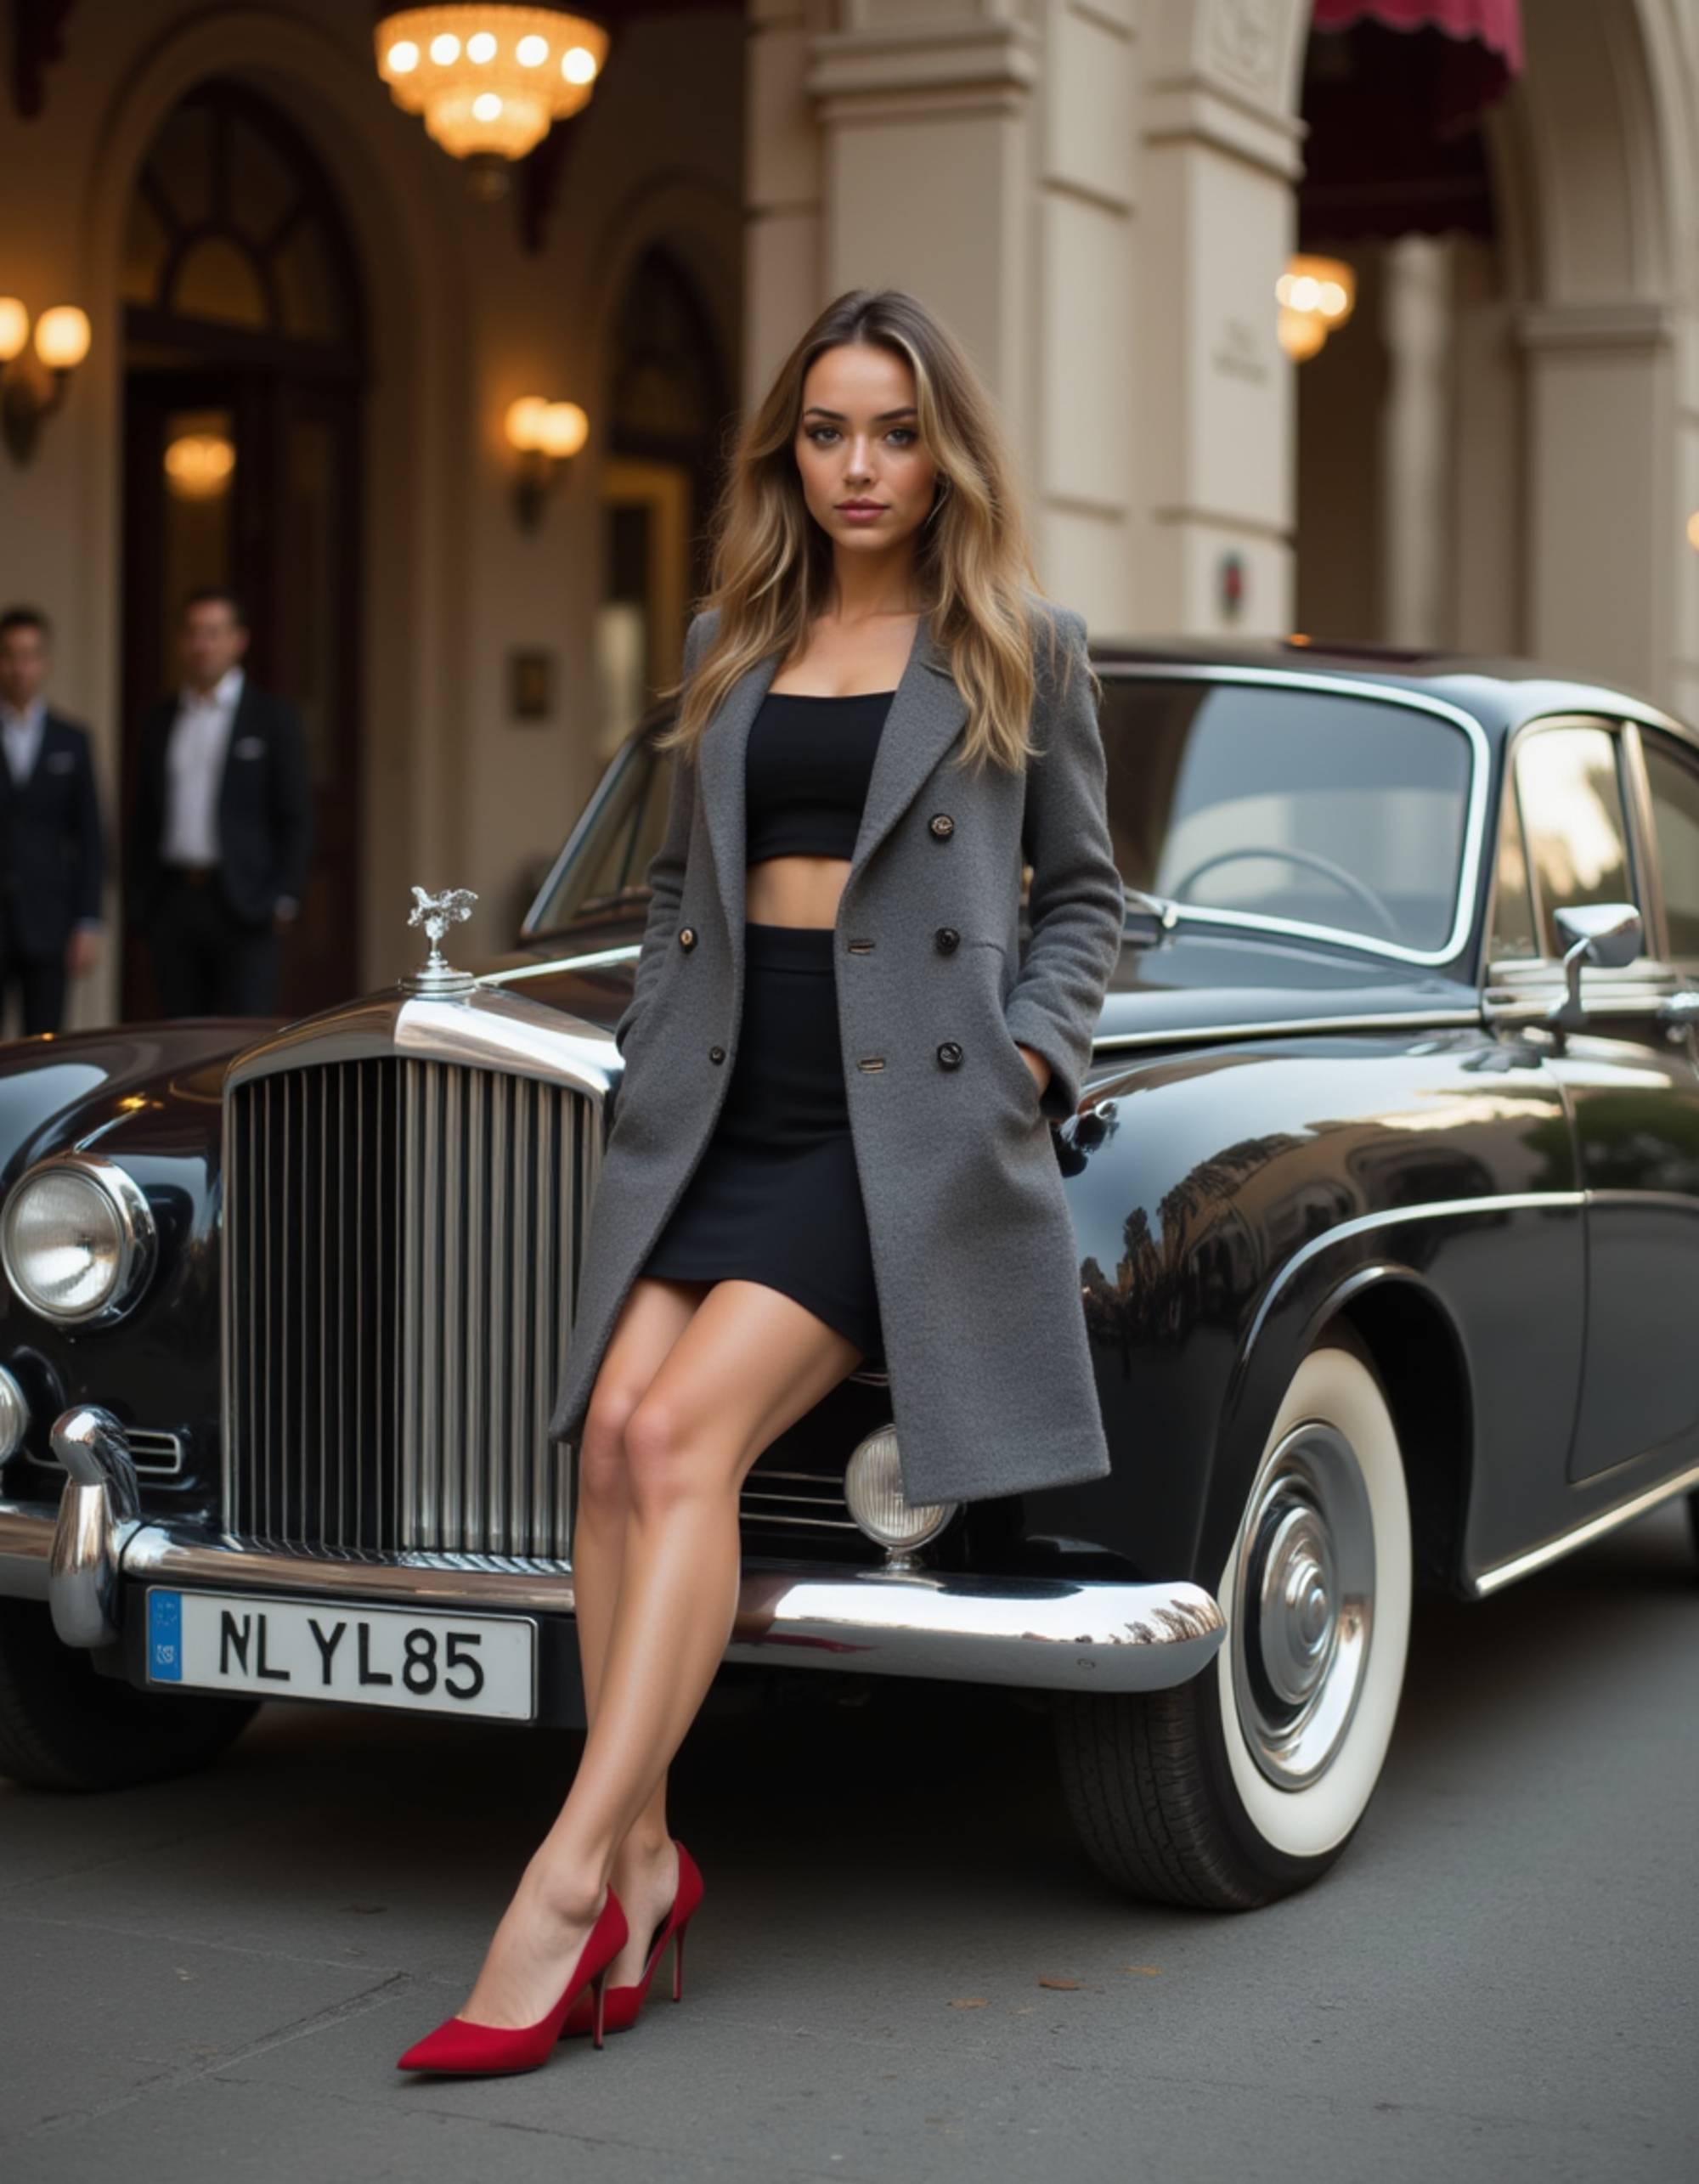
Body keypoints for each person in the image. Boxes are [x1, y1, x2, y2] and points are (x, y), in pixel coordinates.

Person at [396, 289, 1126, 2076]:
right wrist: (659, 1039)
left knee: (678, 1439)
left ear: (943, 453)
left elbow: (1089, 897)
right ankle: (651, 1864)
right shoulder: (732, 638)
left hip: (893, 1124)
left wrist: (1028, 1064)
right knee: (603, 1436)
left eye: (895, 432)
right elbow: (677, 887)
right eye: (827, 430)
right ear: (787, 450)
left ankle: (565, 1878)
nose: (860, 465)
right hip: (724, 1100)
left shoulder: (1020, 644)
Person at [126, 586, 312, 1017]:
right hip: (173, 900)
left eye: (213, 633)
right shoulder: (160, 719)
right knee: (180, 1033)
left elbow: (296, 814)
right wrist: (141, 902)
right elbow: (143, 815)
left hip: (245, 902)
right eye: (193, 633)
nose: (201, 644)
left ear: (238, 640)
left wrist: (284, 895)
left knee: (244, 1033)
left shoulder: (272, 718)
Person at [0, 605, 106, 1036]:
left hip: (49, 920)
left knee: (45, 1045)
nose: (20, 668)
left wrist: (87, 920)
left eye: (30, 656)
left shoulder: (72, 739)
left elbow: (91, 835)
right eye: (10, 655)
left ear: (45, 663)